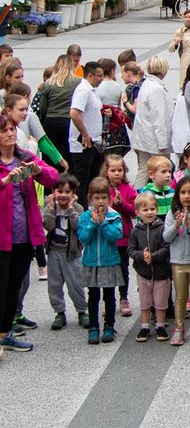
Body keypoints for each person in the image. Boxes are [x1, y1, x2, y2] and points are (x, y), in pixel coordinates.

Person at [0, 113, 58, 352]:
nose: (10, 134)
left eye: (12, 129)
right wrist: (4, 182)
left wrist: (36, 171)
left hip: (24, 234)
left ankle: (5, 333)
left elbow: (53, 176)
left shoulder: (25, 157)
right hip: (2, 236)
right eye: (4, 131)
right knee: (1, 285)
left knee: (15, 285)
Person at [78, 177, 124, 345]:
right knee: (93, 295)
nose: (100, 201)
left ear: (109, 198)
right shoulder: (85, 216)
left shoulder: (114, 215)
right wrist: (92, 223)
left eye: (104, 197)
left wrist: (103, 223)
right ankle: (93, 326)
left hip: (109, 261)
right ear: (90, 198)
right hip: (91, 262)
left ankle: (109, 325)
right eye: (97, 198)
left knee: (109, 295)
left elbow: (116, 236)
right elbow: (83, 237)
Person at [163, 176, 190, 346]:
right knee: (180, 297)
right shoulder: (171, 214)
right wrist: (176, 225)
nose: (187, 196)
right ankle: (179, 328)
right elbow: (166, 238)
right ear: (177, 194)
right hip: (178, 262)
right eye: (183, 192)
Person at [43, 173, 89, 331]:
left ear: (74, 193)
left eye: (67, 192)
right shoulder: (50, 207)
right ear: (53, 191)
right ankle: (59, 312)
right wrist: (50, 207)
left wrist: (70, 209)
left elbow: (77, 226)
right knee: (54, 284)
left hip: (72, 253)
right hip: (54, 251)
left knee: (75, 283)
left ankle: (82, 311)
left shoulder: (78, 208)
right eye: (59, 191)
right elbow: (48, 226)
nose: (63, 195)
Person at [128, 192, 171, 342]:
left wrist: (153, 256)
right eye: (145, 210)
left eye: (152, 209)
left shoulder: (162, 228)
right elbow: (131, 250)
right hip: (143, 273)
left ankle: (160, 325)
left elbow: (166, 248)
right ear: (138, 213)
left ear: (157, 210)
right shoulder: (136, 231)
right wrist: (141, 255)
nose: (149, 212)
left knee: (160, 302)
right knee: (145, 301)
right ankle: (144, 326)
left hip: (161, 273)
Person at [101, 154, 137, 318]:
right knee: (107, 270)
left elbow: (134, 211)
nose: (117, 174)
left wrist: (121, 203)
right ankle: (108, 300)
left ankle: (124, 298)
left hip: (123, 237)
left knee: (123, 270)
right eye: (113, 170)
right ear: (106, 171)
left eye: (120, 170)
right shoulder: (102, 188)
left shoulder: (128, 188)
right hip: (107, 237)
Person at [132, 55, 173, 188]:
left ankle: (136, 198)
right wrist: (163, 142)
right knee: (164, 169)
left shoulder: (146, 84)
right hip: (154, 140)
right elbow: (158, 117)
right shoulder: (157, 89)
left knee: (143, 170)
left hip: (143, 137)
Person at [69, 61, 105, 207]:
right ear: (89, 75)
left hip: (94, 141)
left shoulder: (91, 90)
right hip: (83, 143)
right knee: (82, 180)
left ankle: (91, 205)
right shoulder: (83, 90)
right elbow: (74, 113)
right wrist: (85, 134)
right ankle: (82, 209)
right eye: (99, 76)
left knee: (93, 177)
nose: (102, 78)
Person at [38, 55, 81, 170]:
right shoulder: (78, 82)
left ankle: (51, 181)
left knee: (51, 155)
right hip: (70, 122)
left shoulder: (49, 83)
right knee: (69, 154)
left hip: (51, 121)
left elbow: (42, 107)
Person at [139, 156, 175, 220]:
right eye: (164, 172)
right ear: (151, 174)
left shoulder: (172, 192)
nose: (168, 175)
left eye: (169, 171)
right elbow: (142, 215)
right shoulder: (148, 194)